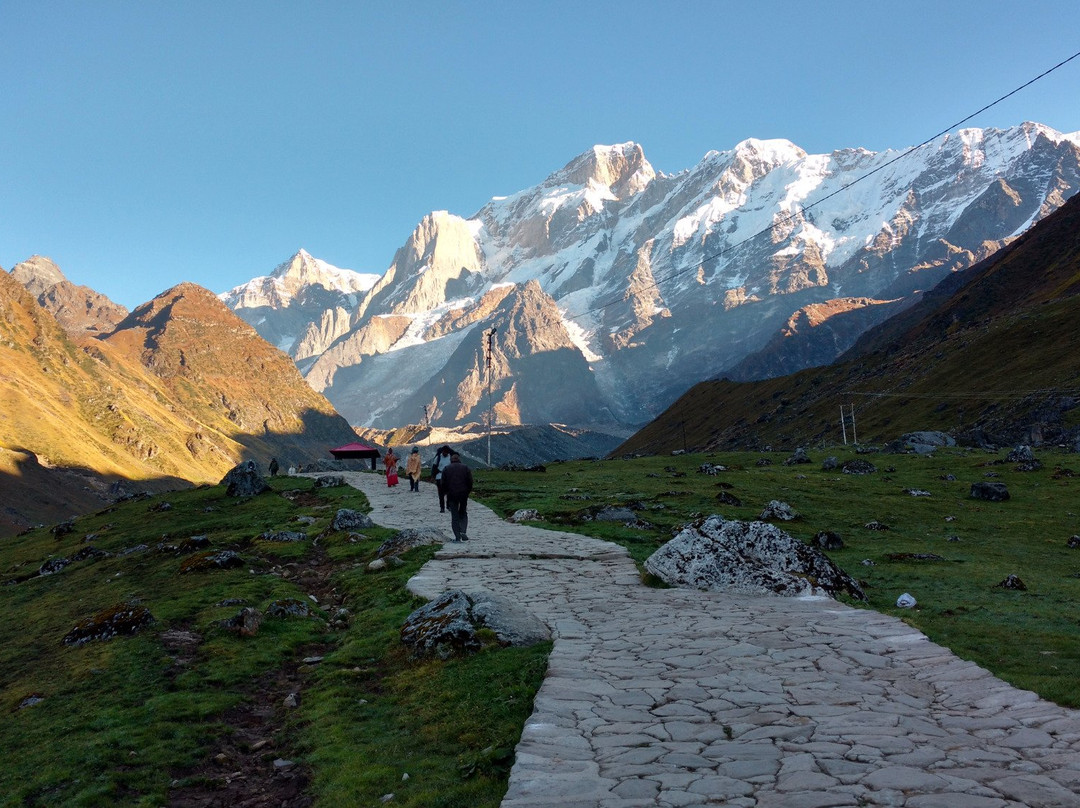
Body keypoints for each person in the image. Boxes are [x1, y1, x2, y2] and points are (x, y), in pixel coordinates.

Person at [440, 452, 473, 542]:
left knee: (454, 516)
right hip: (463, 494)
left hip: (451, 495)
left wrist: (446, 493)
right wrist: (467, 492)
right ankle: (463, 531)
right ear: (459, 459)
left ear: (451, 460)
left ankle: (457, 537)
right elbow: (470, 481)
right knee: (463, 513)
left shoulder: (446, 468)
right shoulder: (465, 468)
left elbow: (443, 483)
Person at [431, 445, 452, 512]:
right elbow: (434, 468)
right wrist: (433, 476)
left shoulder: (450, 458)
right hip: (439, 476)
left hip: (448, 477)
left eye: (446, 452)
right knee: (441, 493)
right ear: (442, 451)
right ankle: (442, 507)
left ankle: (448, 505)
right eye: (444, 452)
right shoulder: (438, 458)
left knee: (449, 493)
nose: (445, 453)